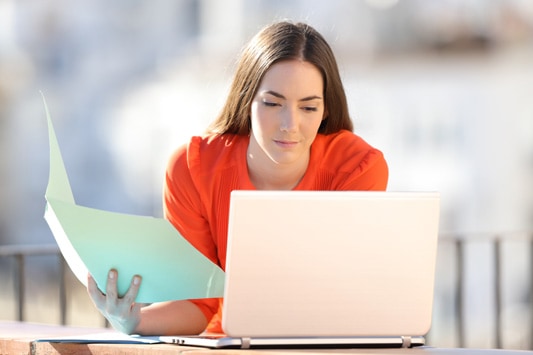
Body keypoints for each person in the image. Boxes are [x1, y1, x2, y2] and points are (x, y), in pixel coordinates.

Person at [87, 20, 388, 336]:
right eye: (273, 103)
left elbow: (345, 297)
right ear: (247, 100)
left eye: (309, 107)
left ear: (325, 109)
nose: (290, 124)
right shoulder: (191, 169)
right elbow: (199, 304)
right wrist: (133, 321)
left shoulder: (358, 167)